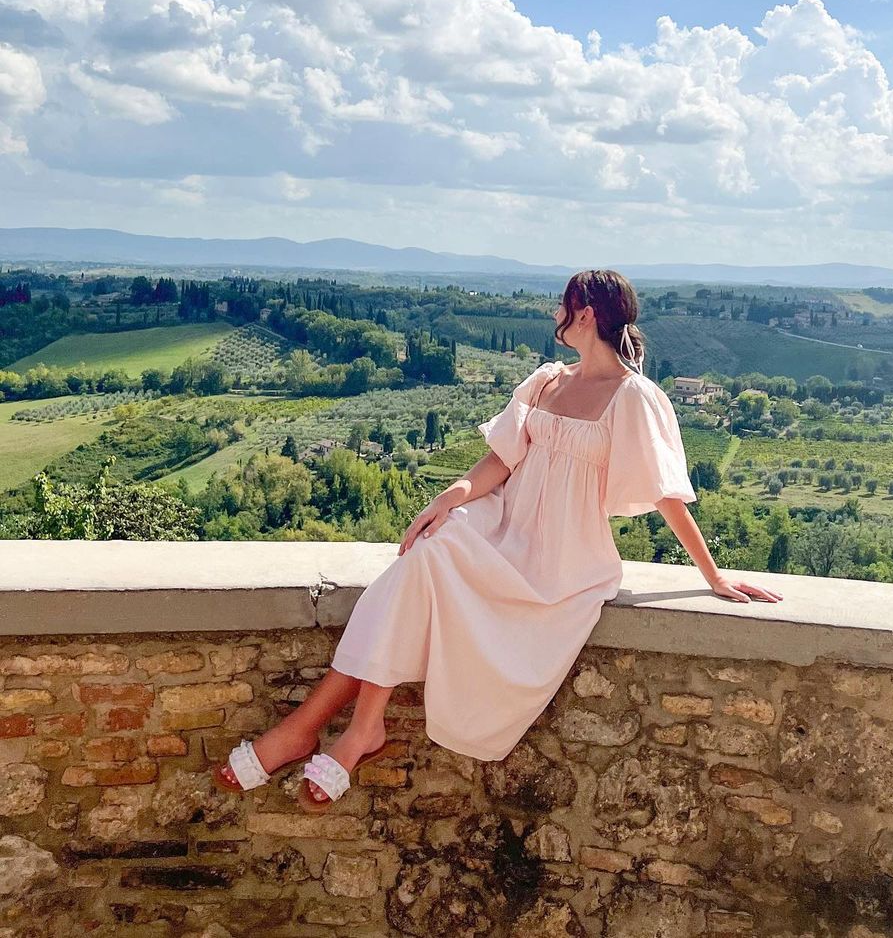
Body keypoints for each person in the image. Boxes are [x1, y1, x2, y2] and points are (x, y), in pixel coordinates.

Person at [212, 268, 782, 810]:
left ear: (585, 314)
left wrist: (713, 576)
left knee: (417, 572)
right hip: (504, 523)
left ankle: (317, 728)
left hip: (562, 556)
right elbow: (501, 461)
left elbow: (666, 495)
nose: (555, 314)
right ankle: (356, 728)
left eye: (562, 306)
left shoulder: (633, 396)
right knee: (425, 554)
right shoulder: (549, 380)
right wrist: (447, 498)